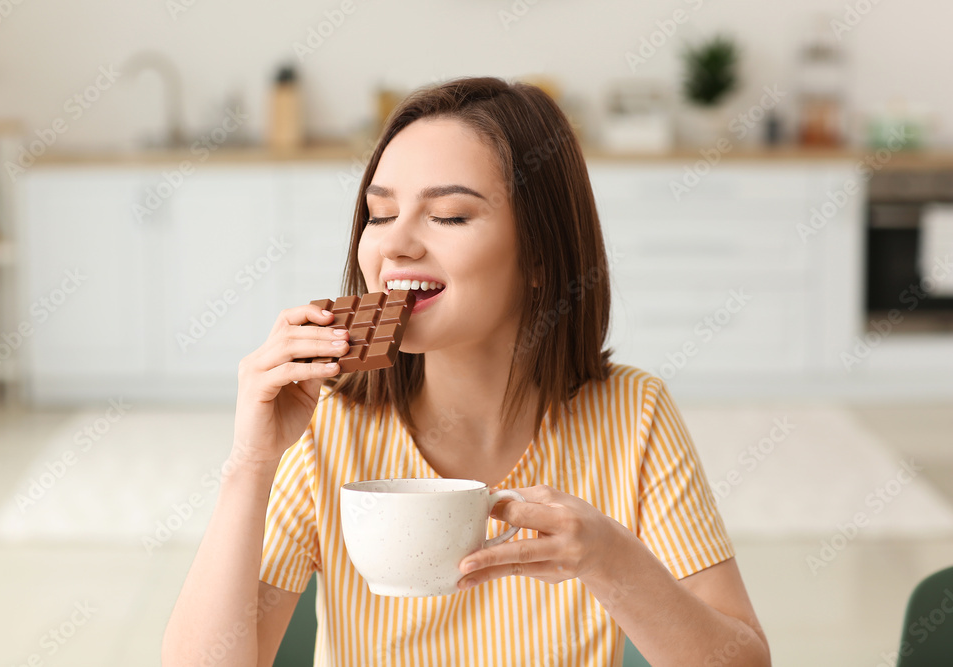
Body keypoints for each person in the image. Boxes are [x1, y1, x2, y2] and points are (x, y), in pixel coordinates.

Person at [162, 76, 771, 667]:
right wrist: (250, 463)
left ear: (540, 253)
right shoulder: (327, 426)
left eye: (449, 216)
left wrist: (611, 561)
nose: (394, 245)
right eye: (378, 215)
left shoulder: (632, 414)